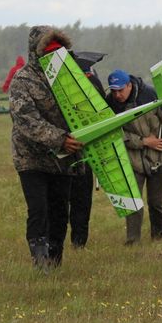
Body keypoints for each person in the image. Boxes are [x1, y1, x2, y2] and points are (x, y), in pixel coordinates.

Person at [9, 25, 83, 270]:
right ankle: (40, 265)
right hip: (30, 157)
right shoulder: (23, 80)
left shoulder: (69, 78)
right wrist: (60, 138)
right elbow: (26, 120)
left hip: (64, 158)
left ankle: (55, 260)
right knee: (39, 210)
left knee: (60, 211)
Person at [105, 69, 162, 244]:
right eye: (113, 91)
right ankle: (132, 241)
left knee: (156, 203)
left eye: (120, 90)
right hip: (132, 160)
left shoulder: (151, 95)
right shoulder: (109, 104)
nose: (117, 95)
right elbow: (115, 134)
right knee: (133, 202)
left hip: (159, 159)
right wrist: (144, 142)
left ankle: (159, 239)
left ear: (129, 85)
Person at [68, 56, 105, 249]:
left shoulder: (83, 84)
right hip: (83, 151)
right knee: (81, 201)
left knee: (77, 199)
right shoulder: (95, 82)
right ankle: (79, 241)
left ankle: (77, 240)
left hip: (78, 150)